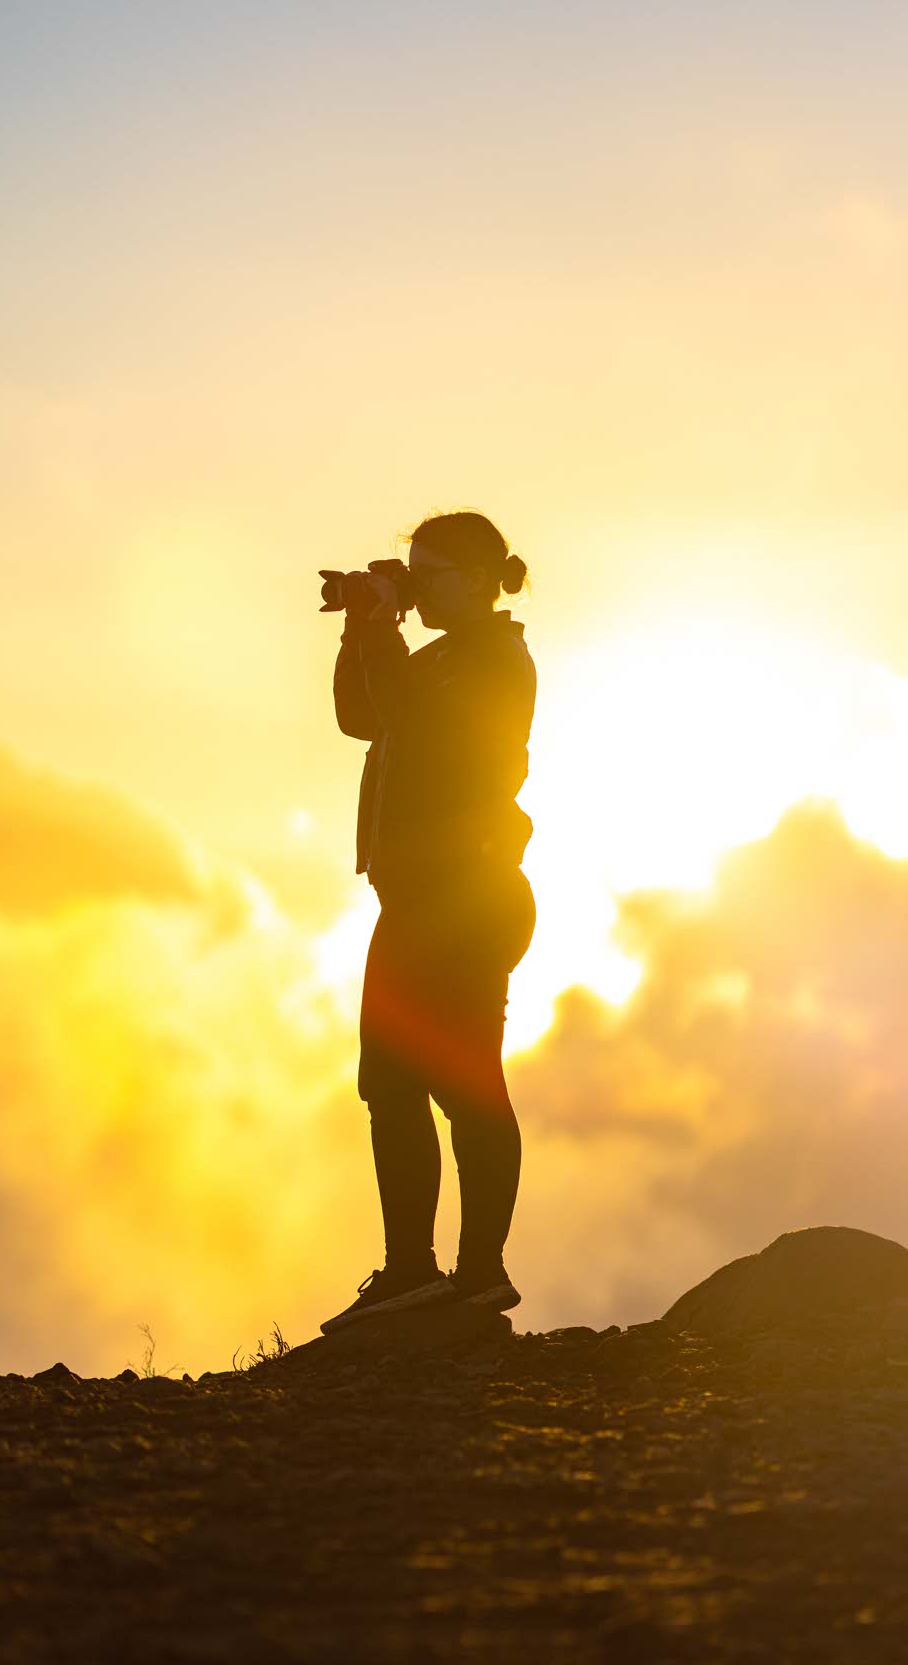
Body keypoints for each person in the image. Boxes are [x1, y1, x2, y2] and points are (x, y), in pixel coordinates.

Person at [321, 509, 537, 1333]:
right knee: (390, 1082)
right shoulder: (442, 658)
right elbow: (363, 718)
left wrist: (382, 628)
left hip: (467, 898)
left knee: (466, 1083)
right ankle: (413, 1271)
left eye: (430, 573)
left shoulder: (493, 661)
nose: (417, 587)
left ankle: (477, 1273)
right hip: (418, 900)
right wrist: (361, 631)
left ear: (481, 579)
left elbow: (414, 718)